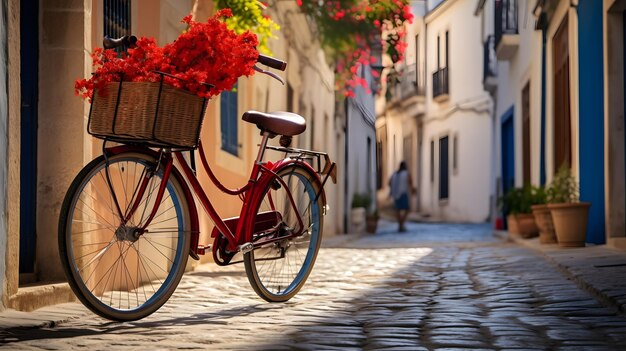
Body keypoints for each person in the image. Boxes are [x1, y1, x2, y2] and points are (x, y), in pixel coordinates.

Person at [389, 161, 416, 232]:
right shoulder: (406, 173)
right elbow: (410, 182)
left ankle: (400, 225)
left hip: (395, 194)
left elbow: (389, 182)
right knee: (407, 209)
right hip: (403, 193)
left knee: (398, 210)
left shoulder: (394, 174)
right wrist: (412, 190)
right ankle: (401, 223)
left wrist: (392, 189)